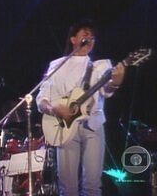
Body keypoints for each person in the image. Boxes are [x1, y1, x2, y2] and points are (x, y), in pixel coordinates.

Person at [36, 19, 125, 196]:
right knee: (67, 187)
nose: (89, 39)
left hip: (93, 125)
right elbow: (41, 99)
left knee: (92, 185)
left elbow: (107, 91)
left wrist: (116, 82)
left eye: (92, 37)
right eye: (85, 36)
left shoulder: (100, 65)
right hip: (64, 127)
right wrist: (54, 109)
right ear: (73, 39)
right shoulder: (57, 65)